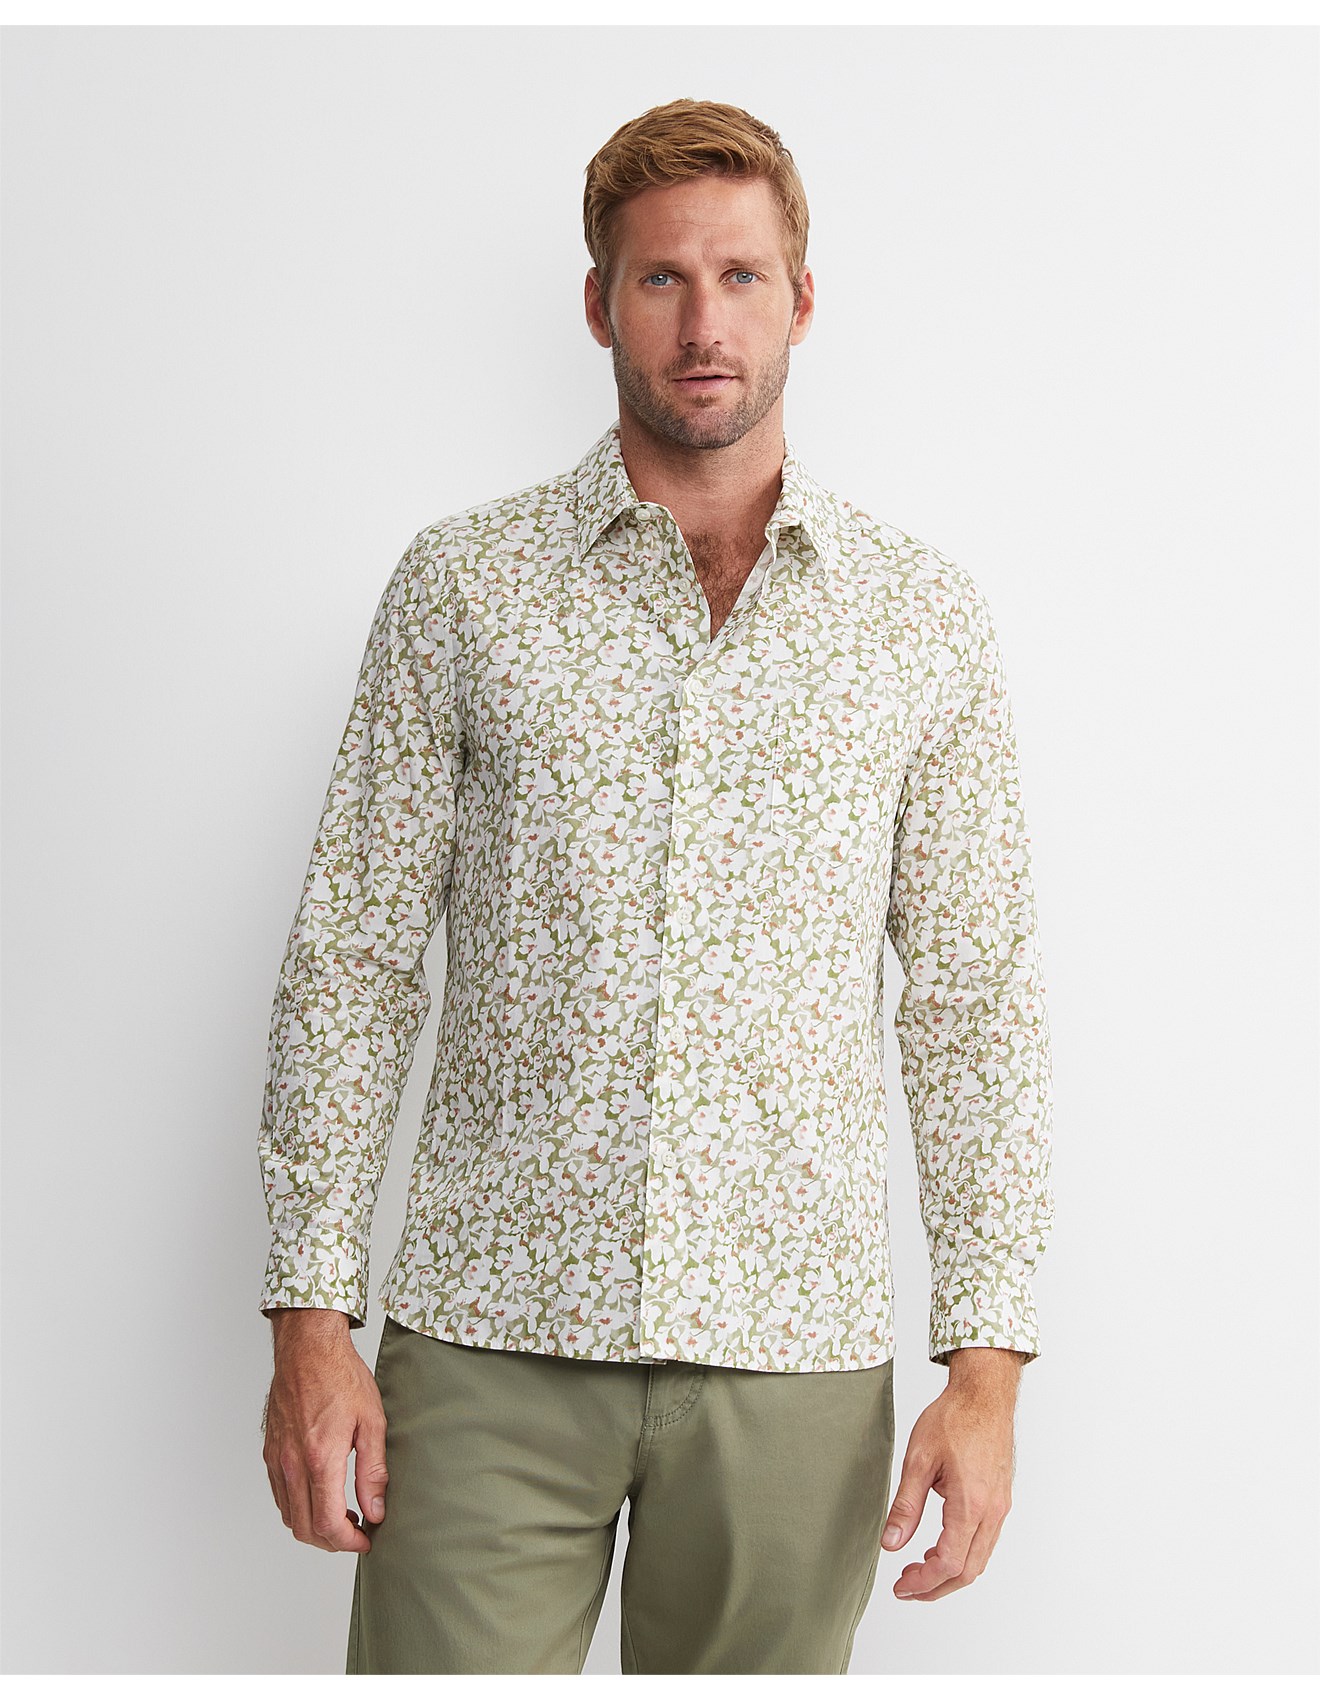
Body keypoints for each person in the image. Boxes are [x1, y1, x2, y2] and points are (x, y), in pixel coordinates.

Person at [257, 97, 1055, 1677]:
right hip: (490, 1340)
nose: (704, 324)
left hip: (793, 1355)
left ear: (802, 300)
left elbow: (975, 1008)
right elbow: (353, 961)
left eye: (741, 276)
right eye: (662, 279)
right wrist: (309, 1322)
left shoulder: (920, 620)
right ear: (598, 302)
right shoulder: (464, 588)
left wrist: (988, 1370)